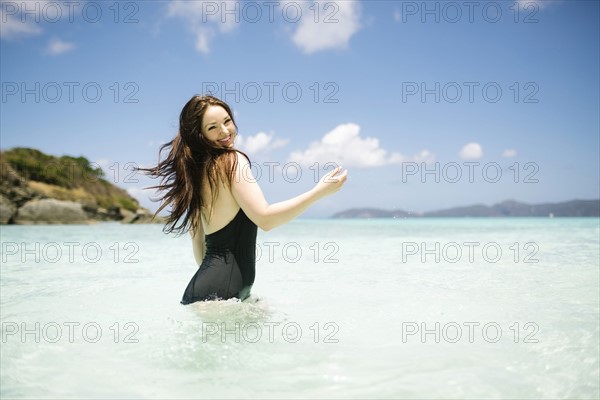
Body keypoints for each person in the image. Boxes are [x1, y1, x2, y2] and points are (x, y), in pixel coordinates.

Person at [139, 95, 348, 304]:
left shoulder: (196, 175)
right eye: (212, 127)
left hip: (208, 294)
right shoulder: (232, 160)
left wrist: (219, 287)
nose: (224, 131)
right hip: (220, 298)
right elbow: (265, 219)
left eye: (227, 121)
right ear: (200, 134)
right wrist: (318, 192)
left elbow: (198, 244)